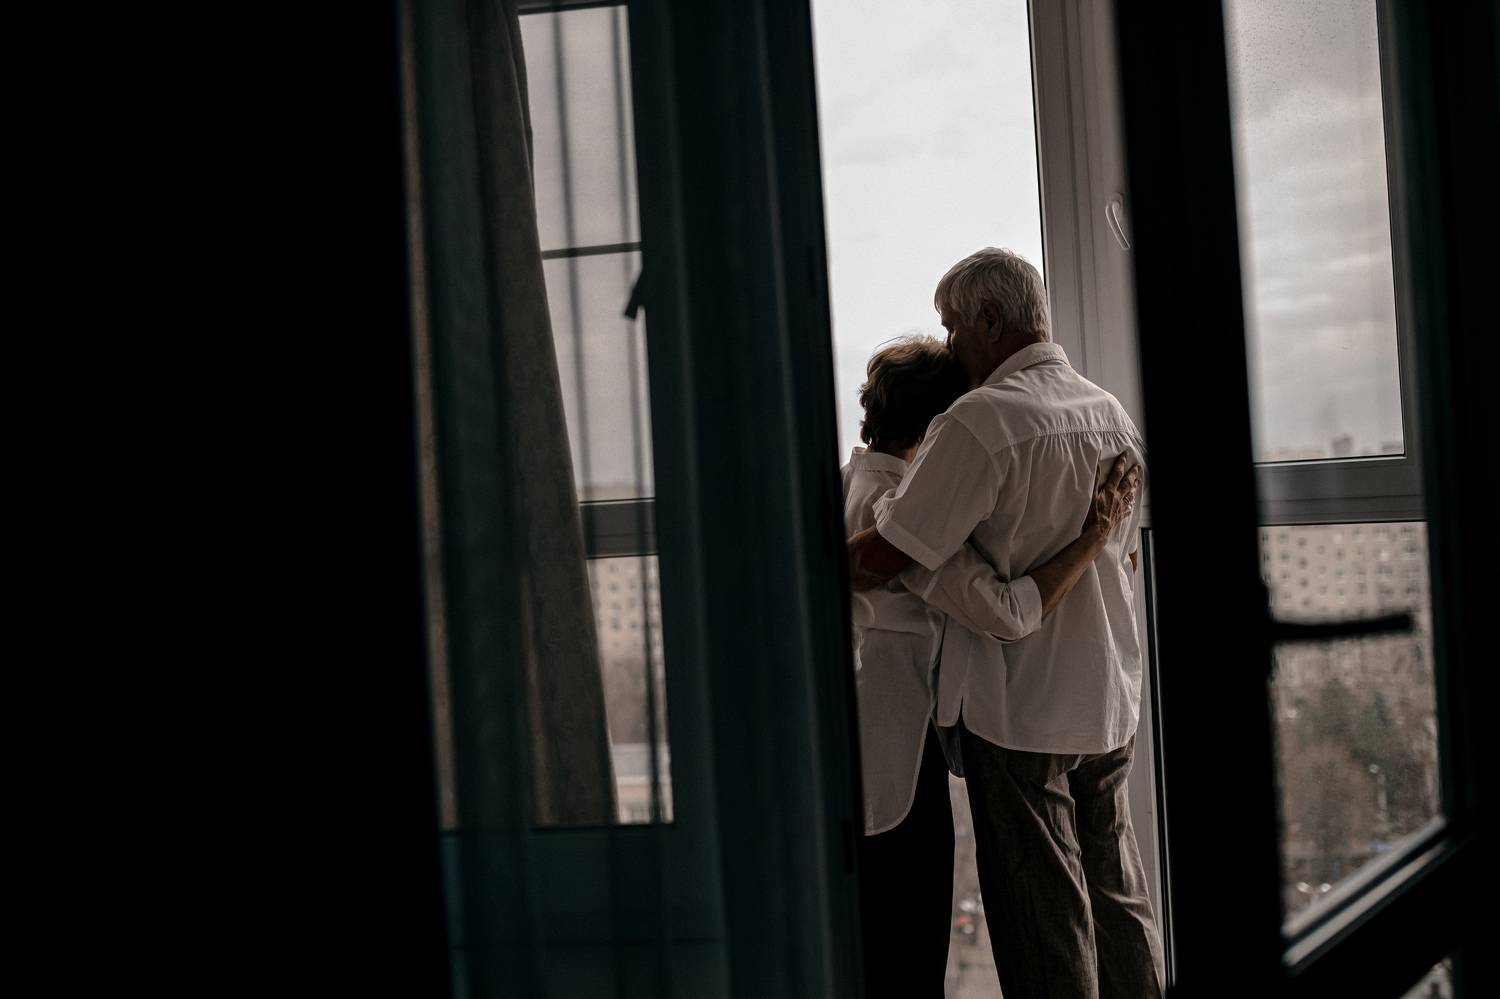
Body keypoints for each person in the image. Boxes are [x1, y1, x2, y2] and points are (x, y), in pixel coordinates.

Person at [848, 248, 1163, 999]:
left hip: (1021, 710)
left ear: (990, 320)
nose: (952, 344)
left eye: (953, 326)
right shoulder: (1110, 413)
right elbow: (1122, 558)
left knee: (1045, 924)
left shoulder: (981, 421)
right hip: (1107, 700)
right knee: (1118, 898)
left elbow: (891, 551)